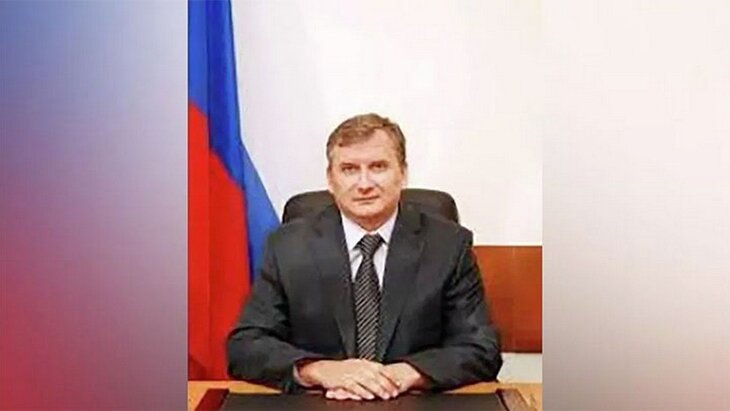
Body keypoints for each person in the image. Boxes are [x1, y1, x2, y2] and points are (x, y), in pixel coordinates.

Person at [227, 113, 502, 400]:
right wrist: (319, 370)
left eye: (378, 167)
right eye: (349, 169)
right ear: (330, 180)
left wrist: (405, 374)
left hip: (413, 403)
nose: (364, 183)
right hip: (321, 403)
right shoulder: (288, 246)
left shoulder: (448, 245)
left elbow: (481, 348)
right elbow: (245, 346)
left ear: (403, 173)